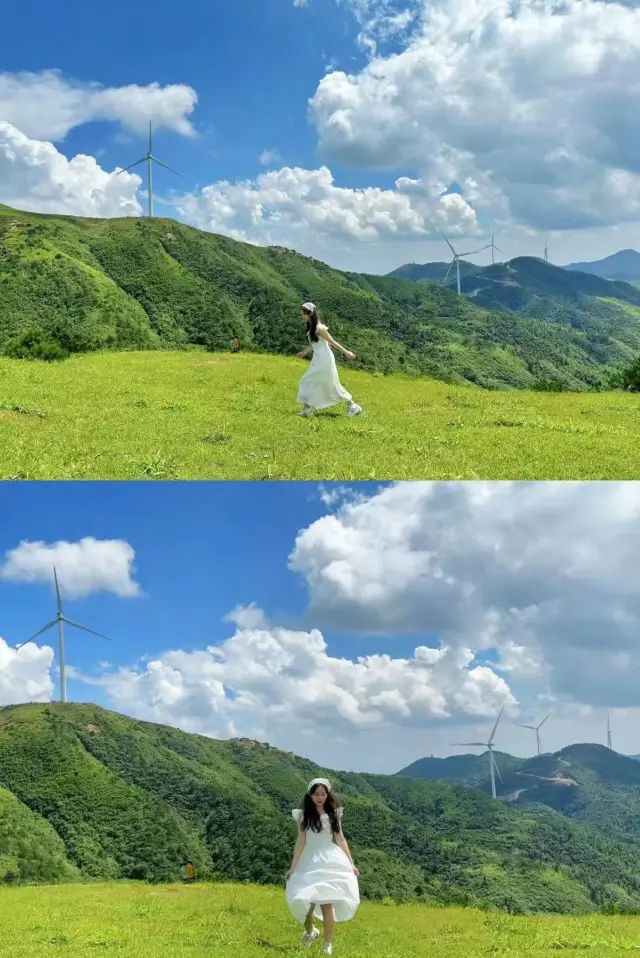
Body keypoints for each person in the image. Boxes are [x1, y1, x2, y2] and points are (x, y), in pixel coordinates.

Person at [285, 778, 360, 956]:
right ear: (310, 795)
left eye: (323, 794)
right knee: (304, 901)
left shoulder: (334, 814)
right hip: (309, 860)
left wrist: (351, 863)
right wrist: (293, 867)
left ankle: (327, 944)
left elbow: (340, 839)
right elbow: (301, 841)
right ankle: (311, 932)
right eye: (316, 794)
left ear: (328, 795)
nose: (320, 798)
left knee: (327, 904)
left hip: (330, 861)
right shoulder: (304, 816)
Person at [296, 303, 363, 418]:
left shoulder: (320, 328)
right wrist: (304, 352)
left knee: (327, 384)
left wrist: (346, 352)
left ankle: (353, 406)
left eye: (302, 314)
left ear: (309, 314)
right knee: (311, 381)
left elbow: (332, 342)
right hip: (318, 358)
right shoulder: (312, 326)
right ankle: (307, 410)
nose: (301, 316)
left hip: (324, 359)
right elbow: (315, 344)